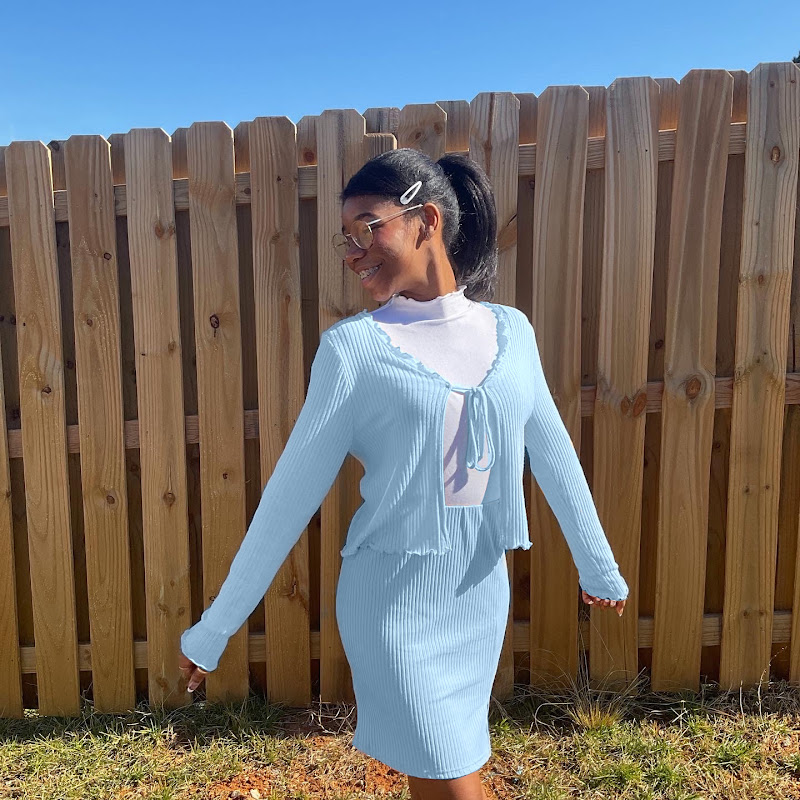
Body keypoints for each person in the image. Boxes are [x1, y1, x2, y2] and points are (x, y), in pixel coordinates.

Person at [179, 148, 628, 800]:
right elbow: (288, 497)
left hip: (478, 591)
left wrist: (597, 564)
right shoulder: (353, 351)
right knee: (448, 775)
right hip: (391, 601)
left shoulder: (511, 332)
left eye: (367, 227)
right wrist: (216, 627)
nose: (353, 252)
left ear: (427, 220)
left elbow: (553, 453)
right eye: (346, 237)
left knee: (444, 771)